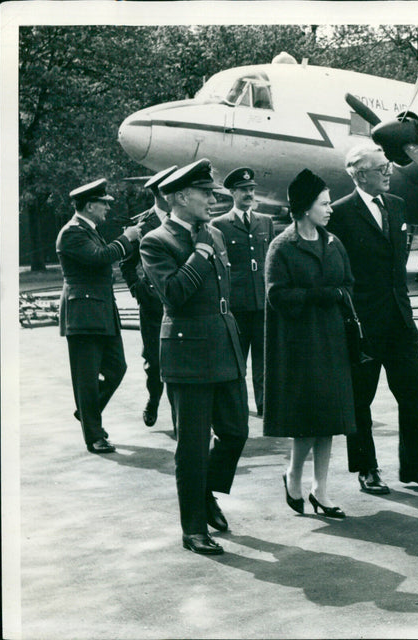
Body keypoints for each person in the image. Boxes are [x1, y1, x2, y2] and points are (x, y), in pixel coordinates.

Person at [140, 159, 249, 556]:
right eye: (205, 194)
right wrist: (200, 254)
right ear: (181, 197)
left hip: (224, 345)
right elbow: (174, 294)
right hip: (188, 354)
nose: (212, 200)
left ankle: (205, 491)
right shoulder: (156, 240)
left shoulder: (215, 234)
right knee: (192, 445)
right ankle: (193, 528)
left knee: (236, 431)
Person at [328, 144, 418, 494]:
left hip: (399, 320)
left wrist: (406, 312)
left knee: (413, 390)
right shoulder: (340, 213)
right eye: (381, 169)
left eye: (388, 167)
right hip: (363, 324)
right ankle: (367, 468)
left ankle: (414, 466)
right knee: (360, 397)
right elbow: (339, 273)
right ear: (360, 174)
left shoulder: (396, 207)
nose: (389, 172)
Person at [264, 169, 356, 518]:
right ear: (305, 208)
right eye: (324, 203)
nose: (330, 209)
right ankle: (293, 476)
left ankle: (321, 490)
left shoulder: (333, 242)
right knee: (307, 421)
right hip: (299, 345)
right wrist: (318, 295)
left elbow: (348, 283)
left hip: (332, 340)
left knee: (330, 419)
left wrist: (338, 295)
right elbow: (276, 296)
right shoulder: (282, 247)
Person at [56, 178, 141, 453]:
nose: (107, 208)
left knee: (117, 368)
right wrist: (127, 239)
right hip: (83, 315)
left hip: (99, 311)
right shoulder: (72, 232)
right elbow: (99, 257)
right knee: (87, 378)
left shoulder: (87, 229)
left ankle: (87, 411)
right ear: (90, 205)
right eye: (103, 203)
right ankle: (94, 435)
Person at [210, 167, 274, 417]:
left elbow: (271, 262)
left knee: (264, 360)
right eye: (244, 190)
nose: (249, 194)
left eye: (251, 189)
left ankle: (265, 405)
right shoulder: (220, 224)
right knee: (236, 360)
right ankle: (235, 407)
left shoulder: (265, 222)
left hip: (262, 303)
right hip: (236, 305)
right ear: (232, 192)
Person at [119, 165, 178, 429]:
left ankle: (183, 419)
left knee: (181, 362)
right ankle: (154, 398)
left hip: (181, 301)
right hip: (153, 306)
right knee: (154, 363)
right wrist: (138, 290)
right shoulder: (142, 225)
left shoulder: (185, 219)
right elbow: (127, 265)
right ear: (161, 193)